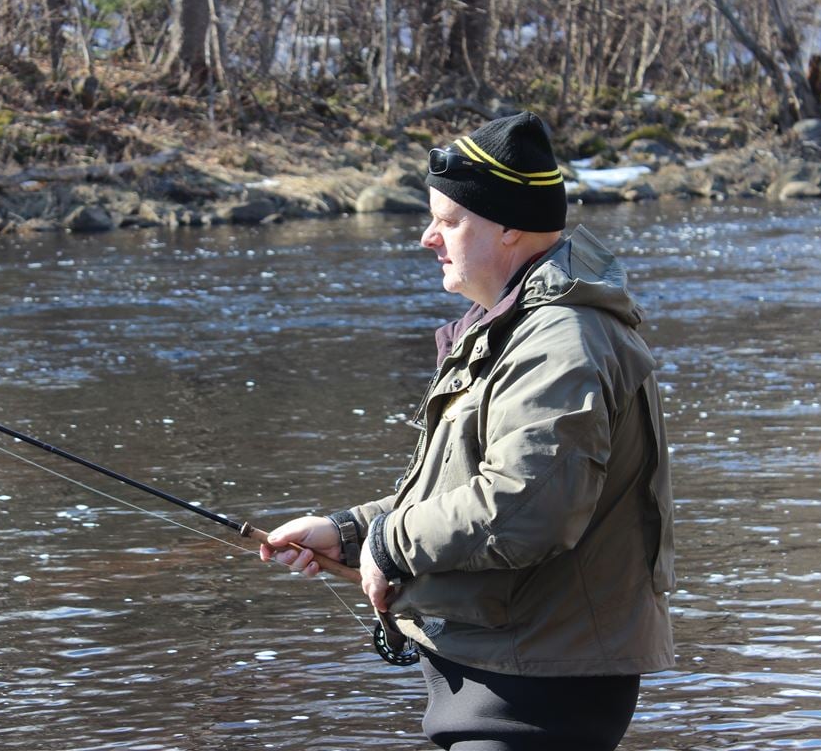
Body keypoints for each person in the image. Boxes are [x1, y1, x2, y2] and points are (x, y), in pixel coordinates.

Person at [261, 112, 675, 751]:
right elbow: (465, 485)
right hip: (503, 675)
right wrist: (348, 533)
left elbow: (527, 507)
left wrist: (389, 546)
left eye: (448, 221)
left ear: (510, 227)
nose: (428, 238)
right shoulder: (511, 328)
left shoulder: (560, 343)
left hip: (539, 691)